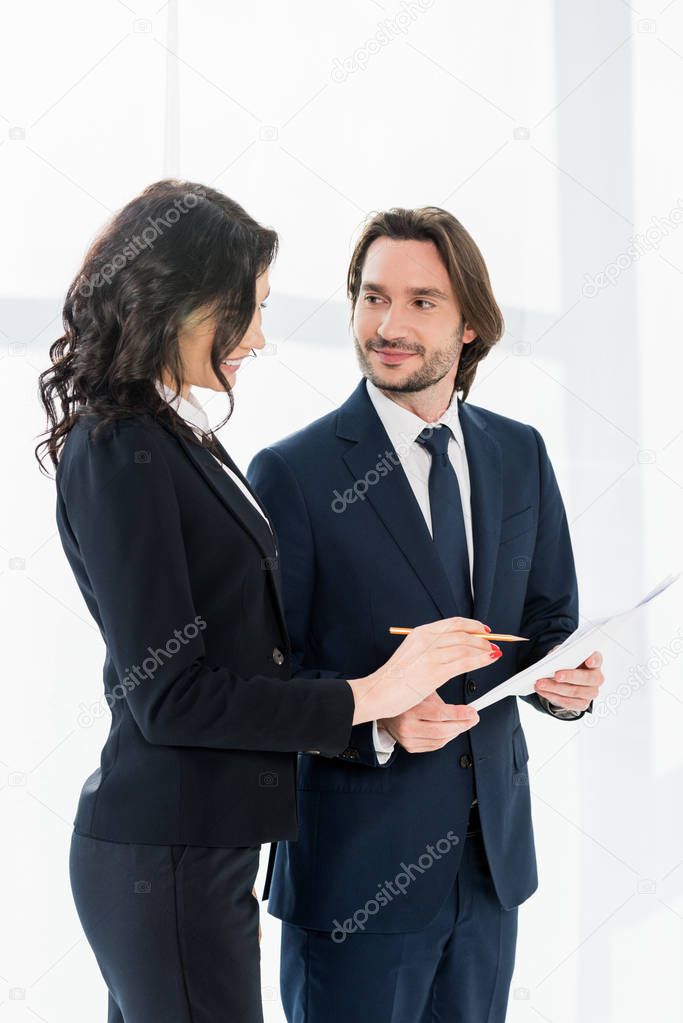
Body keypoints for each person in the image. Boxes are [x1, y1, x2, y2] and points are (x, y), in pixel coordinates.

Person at [36, 183, 499, 1023]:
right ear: (183, 304)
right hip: (166, 851)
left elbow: (245, 656)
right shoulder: (121, 448)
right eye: (244, 311)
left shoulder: (170, 434)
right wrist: (368, 695)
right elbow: (172, 693)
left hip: (198, 847)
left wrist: (375, 718)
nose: (256, 336)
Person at [247, 207, 606, 1022]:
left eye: (420, 302)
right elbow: (264, 682)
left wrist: (565, 682)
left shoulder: (519, 454)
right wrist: (376, 722)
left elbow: (549, 623)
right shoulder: (293, 474)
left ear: (470, 323)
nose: (388, 324)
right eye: (372, 298)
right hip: (354, 878)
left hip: (489, 869)